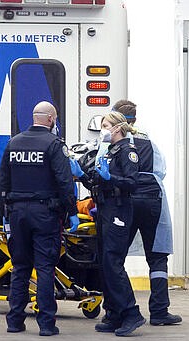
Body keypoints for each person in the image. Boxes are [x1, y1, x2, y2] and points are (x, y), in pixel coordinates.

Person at [0, 101, 79, 336]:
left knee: (20, 266)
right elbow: (65, 182)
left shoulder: (13, 143)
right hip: (45, 213)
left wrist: (5, 212)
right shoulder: (54, 145)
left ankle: (14, 321)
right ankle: (46, 324)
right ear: (52, 119)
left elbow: (3, 181)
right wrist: (71, 212)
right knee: (44, 267)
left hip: (17, 213)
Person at [70, 111, 146, 337]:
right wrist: (82, 174)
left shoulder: (127, 152)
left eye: (106, 125)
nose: (103, 129)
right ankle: (113, 312)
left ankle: (131, 313)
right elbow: (97, 181)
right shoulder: (109, 151)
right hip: (104, 208)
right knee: (104, 263)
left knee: (113, 262)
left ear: (118, 128)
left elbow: (132, 183)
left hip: (119, 209)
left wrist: (110, 179)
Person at [112, 99, 182, 326]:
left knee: (115, 257)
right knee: (157, 257)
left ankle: (115, 311)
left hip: (126, 201)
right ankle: (160, 312)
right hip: (153, 200)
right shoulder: (148, 140)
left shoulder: (115, 141)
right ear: (135, 118)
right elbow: (160, 171)